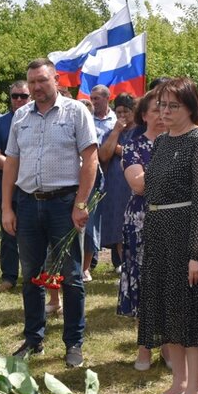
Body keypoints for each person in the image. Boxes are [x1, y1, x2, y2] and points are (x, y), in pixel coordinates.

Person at [2, 58, 100, 368]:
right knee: (31, 275)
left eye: (42, 81)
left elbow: (91, 160)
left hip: (64, 204)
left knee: (71, 277)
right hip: (28, 203)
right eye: (31, 82)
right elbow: (12, 164)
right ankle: (34, 339)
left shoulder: (76, 112)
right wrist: (6, 206)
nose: (36, 87)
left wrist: (81, 203)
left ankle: (73, 343)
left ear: (55, 80)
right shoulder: (20, 116)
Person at [134, 79, 198, 394]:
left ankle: (195, 390)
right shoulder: (164, 141)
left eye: (173, 106)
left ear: (190, 107)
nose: (165, 112)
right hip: (159, 234)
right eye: (161, 106)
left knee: (190, 313)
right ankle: (179, 383)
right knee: (168, 310)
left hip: (187, 235)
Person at [119, 91, 170, 370]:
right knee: (145, 286)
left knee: (170, 286)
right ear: (145, 115)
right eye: (156, 110)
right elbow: (138, 185)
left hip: (176, 221)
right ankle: (144, 348)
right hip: (143, 222)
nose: (162, 115)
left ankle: (168, 347)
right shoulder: (133, 146)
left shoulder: (181, 144)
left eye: (167, 109)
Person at [0, 82, 28, 291]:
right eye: (15, 96)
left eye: (23, 96)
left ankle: (34, 275)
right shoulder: (0, 123)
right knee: (9, 234)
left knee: (34, 235)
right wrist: (16, 170)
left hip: (33, 188)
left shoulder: (37, 119)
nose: (19, 100)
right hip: (9, 186)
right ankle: (9, 277)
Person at [98, 93, 136, 272]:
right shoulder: (111, 132)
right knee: (118, 224)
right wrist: (116, 132)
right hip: (115, 185)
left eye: (126, 111)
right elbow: (104, 155)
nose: (122, 116)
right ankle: (122, 263)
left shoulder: (142, 132)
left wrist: (120, 150)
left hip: (135, 185)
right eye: (119, 111)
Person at [83, 84, 115, 281]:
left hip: (115, 175)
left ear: (106, 98)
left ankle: (116, 261)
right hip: (90, 175)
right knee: (89, 221)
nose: (93, 102)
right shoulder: (86, 119)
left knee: (110, 218)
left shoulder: (116, 120)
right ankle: (86, 265)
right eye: (92, 98)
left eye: (97, 98)